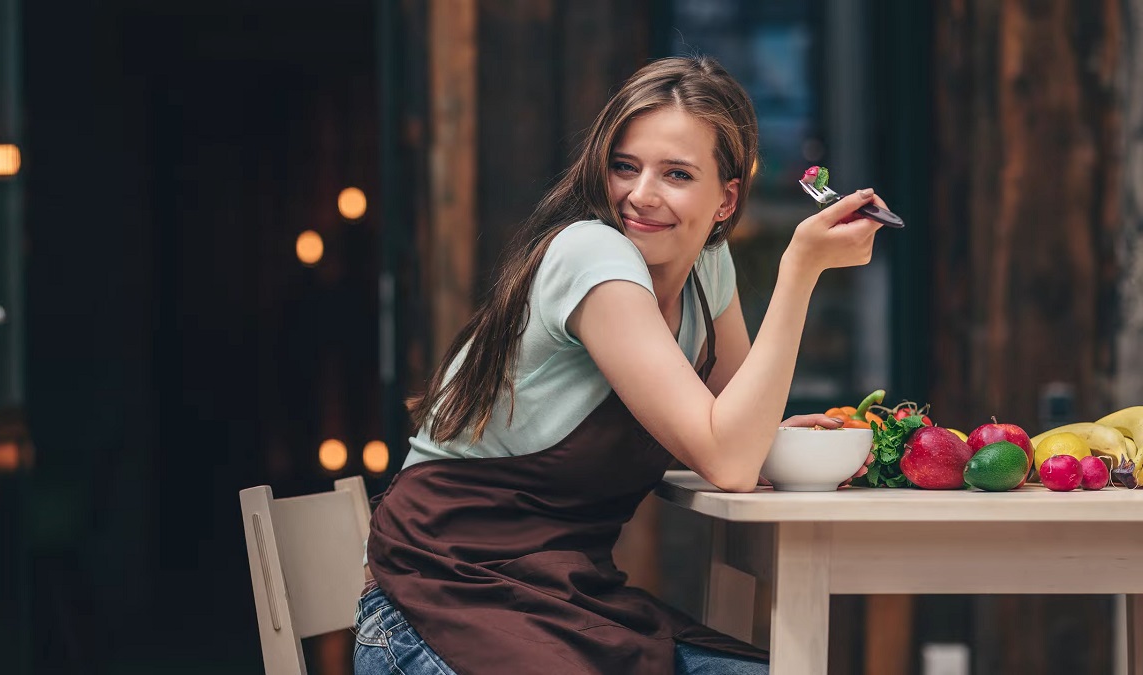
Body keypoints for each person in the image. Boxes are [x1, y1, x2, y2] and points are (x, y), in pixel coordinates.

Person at [355, 55, 887, 675]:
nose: (641, 195)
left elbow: (734, 431)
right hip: (438, 603)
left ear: (726, 199)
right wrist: (800, 270)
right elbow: (730, 461)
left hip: (565, 605)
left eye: (678, 174)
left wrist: (788, 438)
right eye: (625, 167)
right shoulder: (592, 253)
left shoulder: (706, 267)